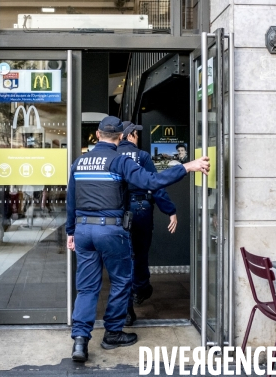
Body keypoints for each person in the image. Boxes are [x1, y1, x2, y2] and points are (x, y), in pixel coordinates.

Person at [66, 116, 210, 362]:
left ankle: (80, 341)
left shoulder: (79, 163)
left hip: (83, 231)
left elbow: (71, 200)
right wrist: (187, 166)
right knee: (122, 280)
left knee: (87, 287)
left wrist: (70, 231)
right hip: (111, 231)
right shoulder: (120, 161)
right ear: (120, 137)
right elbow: (152, 182)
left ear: (98, 135)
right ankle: (112, 333)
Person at [117, 121, 178, 326]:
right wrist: (170, 211)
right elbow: (156, 185)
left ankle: (126, 311)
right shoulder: (142, 156)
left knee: (123, 259)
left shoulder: (112, 156)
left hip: (118, 211)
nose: (137, 136)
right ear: (130, 136)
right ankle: (140, 289)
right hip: (141, 208)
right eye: (135, 133)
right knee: (140, 254)